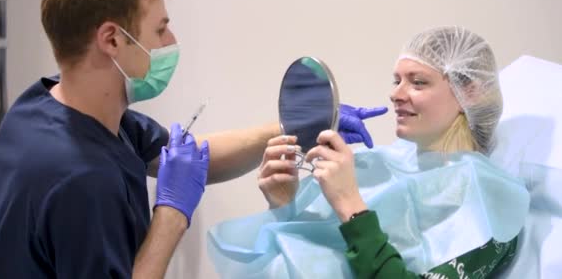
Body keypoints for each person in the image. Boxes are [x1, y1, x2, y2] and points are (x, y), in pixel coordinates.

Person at [0, 0, 384, 279]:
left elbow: (187, 159)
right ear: (112, 39)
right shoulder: (84, 181)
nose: (171, 42)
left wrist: (293, 128)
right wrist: (173, 213)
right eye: (160, 30)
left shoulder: (45, 105)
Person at [209, 26, 529, 278]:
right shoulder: (377, 163)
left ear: (469, 92)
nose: (395, 94)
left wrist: (351, 206)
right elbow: (309, 252)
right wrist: (284, 203)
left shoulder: (493, 202)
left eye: (417, 82)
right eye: (396, 81)